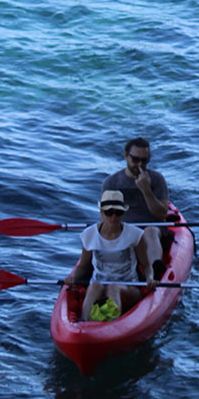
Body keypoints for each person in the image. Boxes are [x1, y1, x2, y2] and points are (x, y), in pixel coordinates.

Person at [64, 190, 155, 321]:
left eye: (118, 213)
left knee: (114, 287)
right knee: (95, 285)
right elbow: (83, 266)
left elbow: (146, 266)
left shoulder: (135, 234)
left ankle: (112, 324)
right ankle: (84, 324)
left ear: (123, 213)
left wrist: (150, 278)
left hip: (129, 288)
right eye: (109, 212)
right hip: (99, 286)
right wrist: (72, 278)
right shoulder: (89, 235)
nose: (113, 217)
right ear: (101, 212)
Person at [102, 137, 171, 277]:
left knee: (150, 231)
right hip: (124, 231)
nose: (139, 165)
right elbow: (104, 219)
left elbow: (162, 214)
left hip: (152, 231)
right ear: (126, 156)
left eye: (144, 161)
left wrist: (146, 190)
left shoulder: (156, 179)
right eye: (135, 160)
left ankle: (154, 271)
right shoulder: (112, 183)